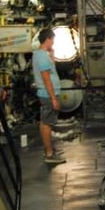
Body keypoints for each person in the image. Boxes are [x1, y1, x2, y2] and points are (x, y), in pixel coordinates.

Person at [33, 28, 66, 165]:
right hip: (47, 95)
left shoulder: (41, 55)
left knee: (45, 122)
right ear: (47, 39)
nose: (53, 42)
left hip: (46, 94)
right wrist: (53, 98)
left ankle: (49, 150)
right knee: (47, 124)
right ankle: (49, 154)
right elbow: (46, 79)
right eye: (52, 40)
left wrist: (52, 55)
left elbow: (50, 72)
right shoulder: (41, 56)